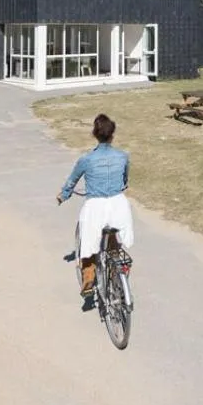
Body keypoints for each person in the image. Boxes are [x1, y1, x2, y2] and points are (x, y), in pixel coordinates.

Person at [57, 113, 134, 295]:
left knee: (88, 241)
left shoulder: (86, 159)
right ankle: (116, 272)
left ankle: (89, 278)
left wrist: (63, 195)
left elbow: (72, 181)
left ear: (94, 134)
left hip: (95, 207)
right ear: (112, 134)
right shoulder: (122, 156)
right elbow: (125, 179)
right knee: (114, 239)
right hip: (118, 205)